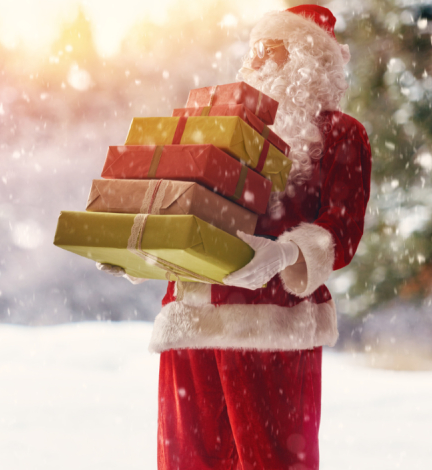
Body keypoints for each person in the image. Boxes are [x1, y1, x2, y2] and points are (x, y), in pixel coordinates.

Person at [149, 5, 372, 470]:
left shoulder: (341, 135)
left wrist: (288, 252)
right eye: (254, 51)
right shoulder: (220, 123)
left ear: (310, 58)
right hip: (190, 322)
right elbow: (184, 206)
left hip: (274, 332)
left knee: (272, 461)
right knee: (187, 462)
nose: (257, 62)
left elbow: (343, 230)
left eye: (273, 50)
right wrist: (145, 250)